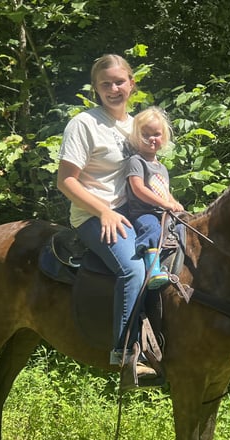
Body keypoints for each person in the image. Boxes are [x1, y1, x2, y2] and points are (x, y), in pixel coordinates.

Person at [56, 54, 155, 377]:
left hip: (133, 213)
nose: (114, 89)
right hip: (93, 215)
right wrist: (103, 212)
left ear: (132, 84)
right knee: (133, 269)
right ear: (95, 89)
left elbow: (148, 173)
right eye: (105, 84)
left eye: (119, 82)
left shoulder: (136, 126)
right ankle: (125, 354)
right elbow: (66, 180)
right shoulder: (85, 124)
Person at [124, 107, 183, 289]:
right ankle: (153, 269)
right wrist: (164, 203)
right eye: (145, 134)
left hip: (162, 212)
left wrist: (173, 202)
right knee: (151, 229)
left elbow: (164, 190)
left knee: (183, 227)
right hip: (143, 212)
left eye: (156, 134)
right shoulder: (136, 161)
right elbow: (138, 188)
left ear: (163, 138)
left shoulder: (161, 167)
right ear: (136, 136)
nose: (152, 139)